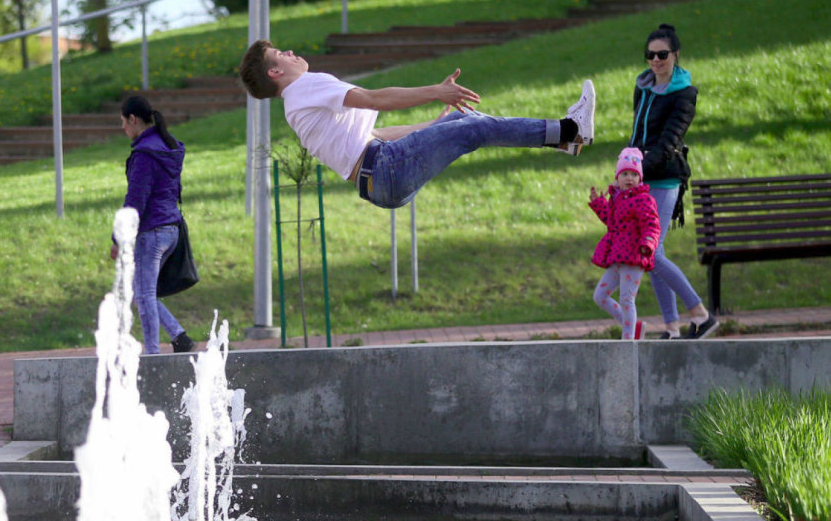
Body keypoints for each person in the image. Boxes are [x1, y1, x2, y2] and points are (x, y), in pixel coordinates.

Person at [239, 39, 595, 210]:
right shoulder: (306, 86)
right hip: (385, 169)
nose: (289, 53)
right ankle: (569, 130)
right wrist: (436, 92)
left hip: (380, 180)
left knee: (463, 121)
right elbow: (376, 99)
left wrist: (431, 125)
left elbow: (373, 136)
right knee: (473, 129)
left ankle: (565, 140)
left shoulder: (296, 108)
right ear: (275, 72)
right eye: (281, 55)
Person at [629, 23, 717, 340]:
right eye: (650, 55)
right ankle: (671, 326)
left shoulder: (685, 93)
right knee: (655, 252)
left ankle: (700, 314)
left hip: (666, 179)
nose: (655, 60)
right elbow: (638, 133)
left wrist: (638, 165)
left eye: (662, 54)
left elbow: (670, 141)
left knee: (650, 252)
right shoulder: (643, 87)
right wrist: (629, 164)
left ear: (676, 54)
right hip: (639, 179)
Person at [110, 95, 196, 354]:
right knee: (139, 290)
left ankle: (153, 357)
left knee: (144, 294)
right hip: (171, 229)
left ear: (133, 119)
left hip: (153, 232)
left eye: (124, 123)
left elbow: (136, 200)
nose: (123, 129)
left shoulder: (145, 154)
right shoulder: (167, 146)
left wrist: (118, 239)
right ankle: (179, 337)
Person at [589, 147, 660, 340]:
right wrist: (599, 204)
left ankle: (628, 339)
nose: (629, 178)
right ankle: (633, 326)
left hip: (635, 256)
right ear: (617, 177)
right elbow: (612, 221)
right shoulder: (617, 199)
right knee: (600, 296)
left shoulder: (643, 200)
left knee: (627, 299)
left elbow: (652, 225)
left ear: (640, 179)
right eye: (625, 173)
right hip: (618, 257)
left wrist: (648, 242)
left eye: (634, 174)